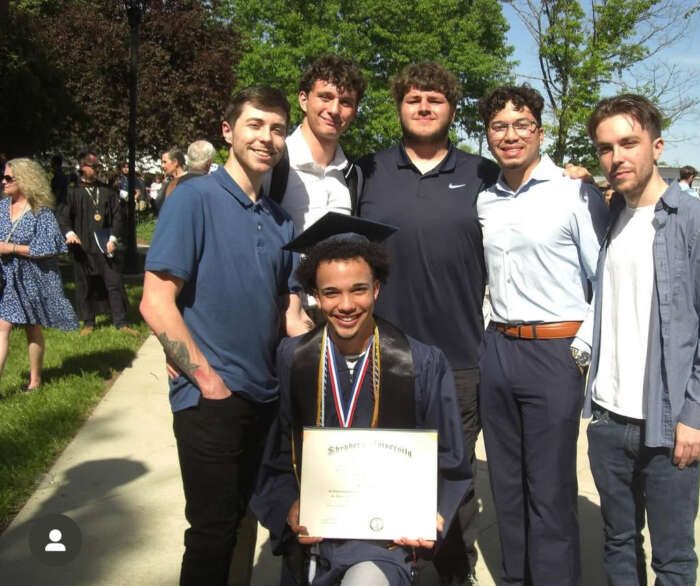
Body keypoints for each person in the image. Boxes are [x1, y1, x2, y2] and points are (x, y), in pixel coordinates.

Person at [140, 85, 310, 586]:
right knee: (212, 531)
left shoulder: (281, 221)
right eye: (255, 125)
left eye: (277, 129)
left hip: (265, 395)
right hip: (210, 398)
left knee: (246, 523)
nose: (267, 137)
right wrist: (206, 380)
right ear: (227, 131)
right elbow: (155, 301)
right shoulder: (194, 197)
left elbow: (290, 313)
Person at [250, 212, 471, 586]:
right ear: (315, 295)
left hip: (385, 543)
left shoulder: (421, 362)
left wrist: (435, 513)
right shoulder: (293, 358)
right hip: (316, 536)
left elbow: (451, 459)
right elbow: (275, 454)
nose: (346, 305)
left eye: (358, 289)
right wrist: (287, 506)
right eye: (331, 292)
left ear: (377, 289)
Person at [585, 94, 700, 585]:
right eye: (606, 148)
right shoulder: (612, 219)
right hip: (609, 420)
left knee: (673, 559)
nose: (617, 158)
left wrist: (697, 415)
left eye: (628, 143)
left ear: (657, 146)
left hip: (669, 423)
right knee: (618, 542)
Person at [357, 62, 499, 586]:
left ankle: (453, 574)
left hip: (460, 360)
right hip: (382, 354)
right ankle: (391, 570)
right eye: (413, 98)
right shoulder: (367, 171)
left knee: (454, 481)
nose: (423, 106)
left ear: (451, 110)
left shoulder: (483, 174)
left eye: (434, 99)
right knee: (384, 473)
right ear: (399, 106)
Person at [475, 84, 608, 586]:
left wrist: (581, 350)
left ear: (540, 131)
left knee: (549, 489)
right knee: (507, 484)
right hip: (499, 348)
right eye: (499, 126)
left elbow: (605, 279)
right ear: (489, 135)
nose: (510, 136)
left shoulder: (574, 192)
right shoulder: (486, 199)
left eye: (521, 125)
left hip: (556, 351)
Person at [0, 159, 78, 391]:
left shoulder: (41, 212)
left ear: (24, 180)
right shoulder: (2, 208)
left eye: (8, 178)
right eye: (3, 177)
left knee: (32, 328)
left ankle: (35, 380)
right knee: (2, 326)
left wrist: (11, 248)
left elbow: (48, 247)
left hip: (33, 279)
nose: (3, 182)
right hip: (6, 279)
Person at [269, 54, 366, 233]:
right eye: (325, 97)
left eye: (345, 102)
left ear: (354, 112)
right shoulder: (273, 161)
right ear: (303, 100)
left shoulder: (353, 175)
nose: (334, 110)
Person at [57, 152, 134, 336]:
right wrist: (69, 233)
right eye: (93, 166)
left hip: (105, 244)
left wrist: (113, 238)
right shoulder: (72, 192)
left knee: (113, 282)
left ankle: (120, 322)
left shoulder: (107, 191)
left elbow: (118, 216)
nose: (96, 169)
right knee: (85, 284)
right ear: (82, 167)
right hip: (83, 246)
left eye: (98, 166)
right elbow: (63, 217)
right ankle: (89, 322)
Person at [153, 147, 186, 213]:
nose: (162, 166)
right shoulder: (168, 183)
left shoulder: (189, 181)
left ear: (175, 162)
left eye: (165, 162)